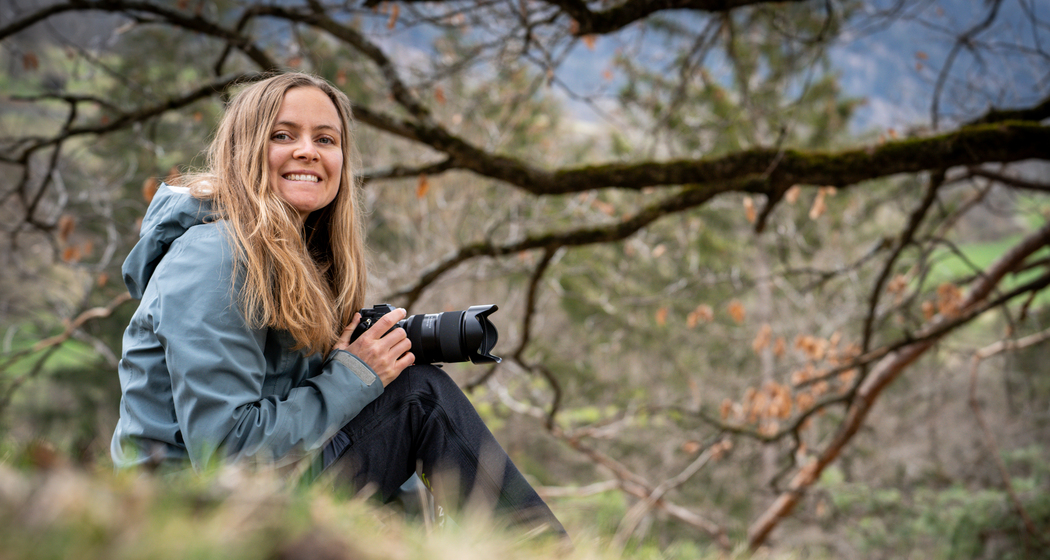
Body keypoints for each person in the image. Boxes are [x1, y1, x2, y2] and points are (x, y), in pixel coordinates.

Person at [110, 72, 566, 536]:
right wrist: (354, 376)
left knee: (408, 390)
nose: (308, 151)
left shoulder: (296, 261)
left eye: (325, 139)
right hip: (189, 519)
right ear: (243, 149)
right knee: (419, 396)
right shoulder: (217, 256)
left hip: (252, 497)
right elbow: (226, 451)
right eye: (283, 135)